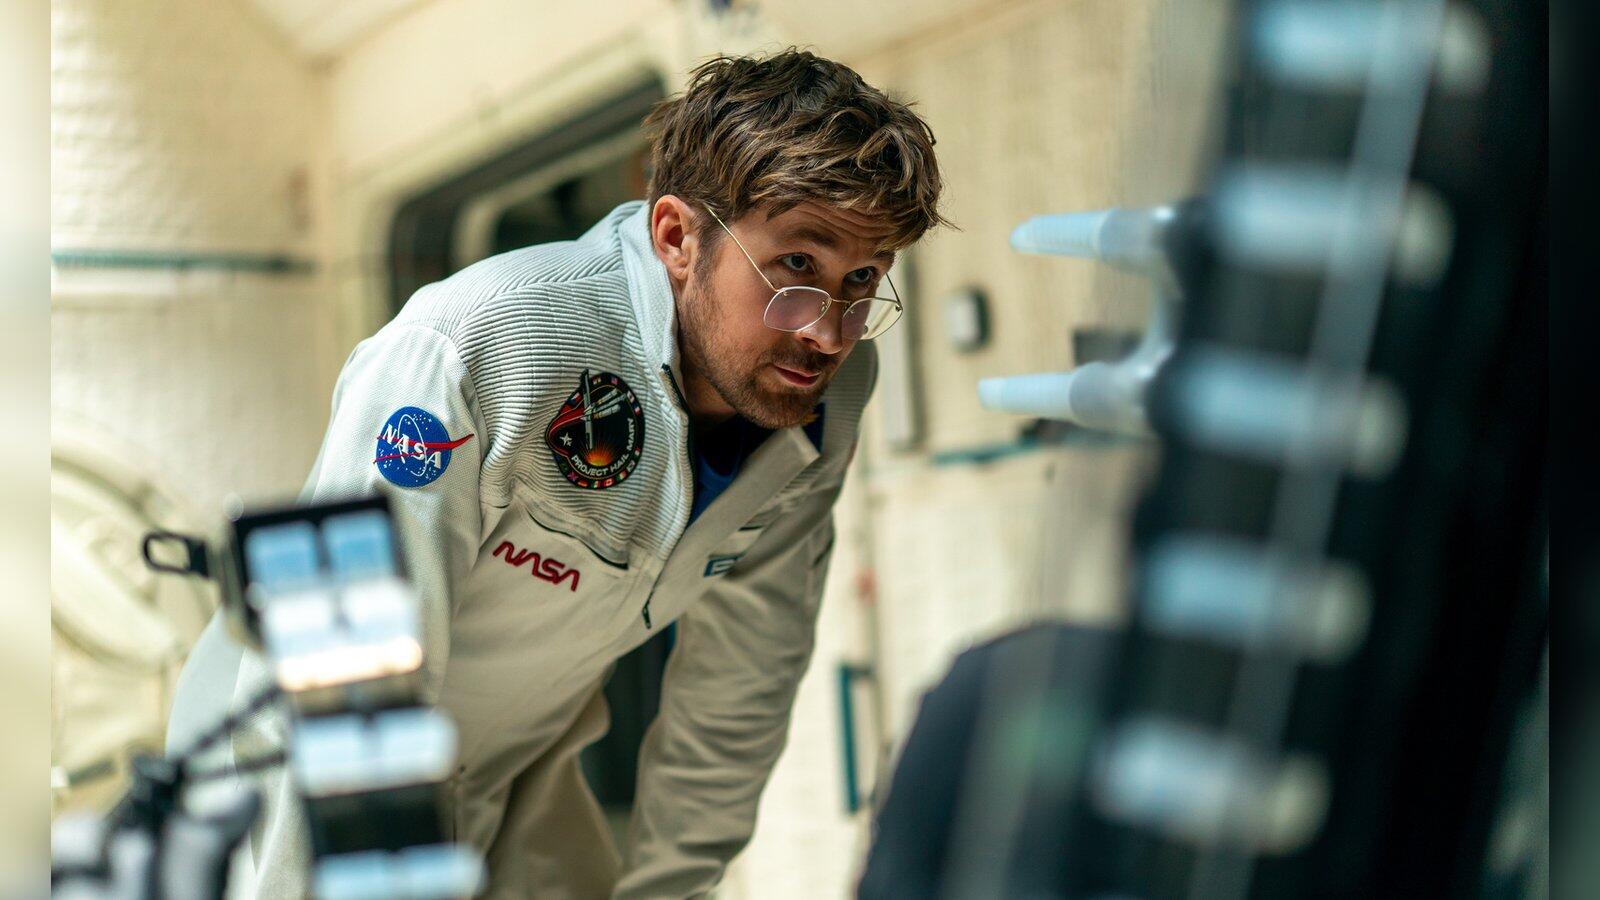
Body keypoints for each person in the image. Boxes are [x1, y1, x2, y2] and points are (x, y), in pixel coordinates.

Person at [167, 48, 947, 899]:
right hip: (281, 802)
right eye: (796, 267)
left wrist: (672, 890)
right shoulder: (479, 344)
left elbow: (741, 687)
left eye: (862, 279)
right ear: (677, 237)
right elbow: (340, 684)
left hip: (515, 783)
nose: (828, 332)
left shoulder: (820, 400)